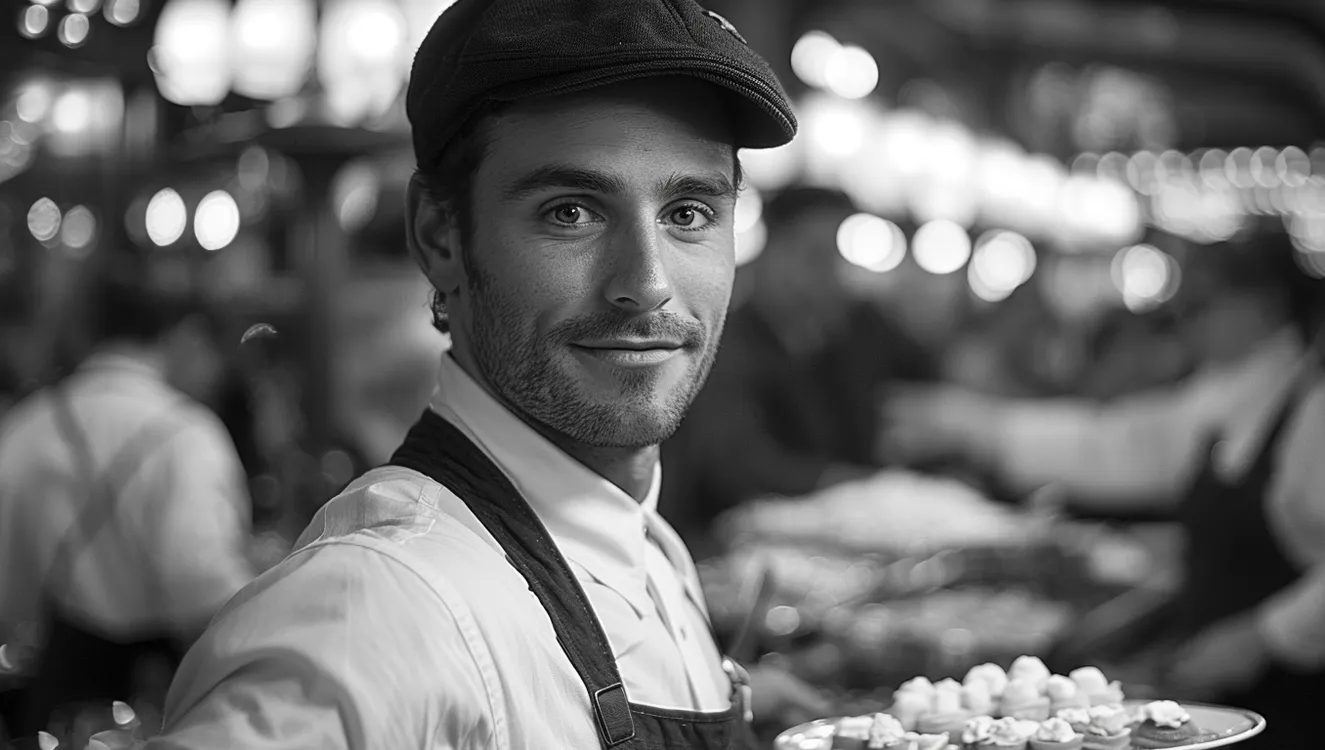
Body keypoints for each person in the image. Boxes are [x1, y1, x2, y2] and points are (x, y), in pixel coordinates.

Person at [145, 1, 803, 748]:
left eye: (688, 213)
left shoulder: (649, 550)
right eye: (571, 212)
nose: (646, 284)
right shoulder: (377, 609)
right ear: (440, 236)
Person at [881, 230, 1325, 750]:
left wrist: (1265, 634)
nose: (1183, 319)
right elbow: (1120, 445)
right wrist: (981, 428)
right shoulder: (1232, 394)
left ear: (1263, 303)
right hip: (1240, 688)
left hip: (1315, 699)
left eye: (1202, 302)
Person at [0, 269, 253, 742]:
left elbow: (7, 596)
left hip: (56, 704)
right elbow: (202, 595)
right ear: (175, 333)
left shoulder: (26, 426)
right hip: (163, 706)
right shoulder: (188, 436)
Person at [660, 186, 936, 557]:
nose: (835, 275)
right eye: (817, 257)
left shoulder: (846, 340)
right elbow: (737, 466)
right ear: (771, 251)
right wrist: (856, 485)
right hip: (729, 554)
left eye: (841, 258)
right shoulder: (726, 346)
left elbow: (922, 380)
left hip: (830, 547)